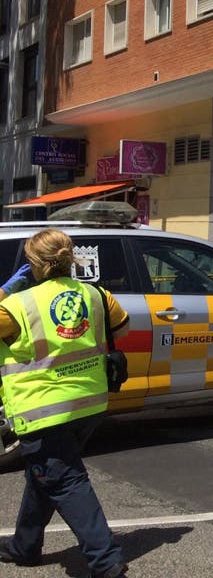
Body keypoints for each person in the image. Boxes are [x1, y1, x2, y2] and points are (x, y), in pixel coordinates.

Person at [0, 229, 130, 578]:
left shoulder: (15, 307)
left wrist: (6, 289)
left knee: (64, 479)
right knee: (46, 473)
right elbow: (123, 325)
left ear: (32, 265)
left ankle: (105, 560)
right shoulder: (96, 294)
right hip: (88, 404)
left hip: (43, 410)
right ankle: (24, 547)